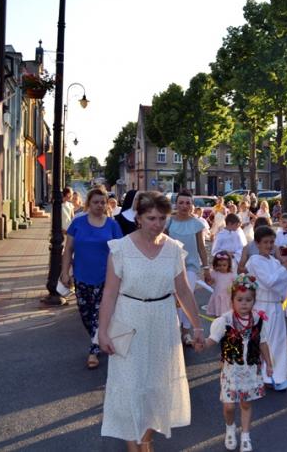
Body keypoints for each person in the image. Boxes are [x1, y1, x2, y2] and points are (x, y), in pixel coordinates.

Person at [99, 191, 206, 450]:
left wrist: (197, 326)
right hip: (129, 320)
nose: (157, 224)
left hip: (162, 322)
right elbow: (109, 294)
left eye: (161, 218)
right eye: (151, 218)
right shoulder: (120, 249)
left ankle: (145, 439)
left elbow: (183, 291)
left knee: (157, 388)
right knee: (130, 387)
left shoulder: (173, 249)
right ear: (138, 218)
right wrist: (102, 331)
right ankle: (134, 445)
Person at [204, 274, 273, 452]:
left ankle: (245, 436)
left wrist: (269, 363)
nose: (244, 304)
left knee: (246, 404)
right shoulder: (225, 321)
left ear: (254, 301)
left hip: (250, 368)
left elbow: (263, 343)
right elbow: (212, 339)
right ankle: (230, 428)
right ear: (232, 301)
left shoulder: (258, 320)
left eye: (248, 300)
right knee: (229, 406)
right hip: (231, 369)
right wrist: (201, 344)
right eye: (240, 300)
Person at [60, 187, 123, 369]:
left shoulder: (112, 225)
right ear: (89, 203)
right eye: (96, 202)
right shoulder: (78, 223)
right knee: (86, 314)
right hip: (81, 276)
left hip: (106, 278)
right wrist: (65, 272)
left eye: (103, 202)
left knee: (98, 314)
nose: (99, 205)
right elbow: (68, 249)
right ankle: (101, 337)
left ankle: (93, 351)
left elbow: (120, 252)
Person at [245, 225, 287, 387]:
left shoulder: (274, 261)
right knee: (266, 341)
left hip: (276, 306)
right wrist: (284, 268)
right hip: (263, 307)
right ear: (257, 243)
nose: (269, 246)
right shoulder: (254, 261)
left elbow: (286, 281)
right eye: (265, 242)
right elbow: (269, 282)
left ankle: (278, 375)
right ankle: (265, 376)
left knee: (279, 341)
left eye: (271, 242)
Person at [165, 190, 210, 346]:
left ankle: (186, 331)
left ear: (192, 205)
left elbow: (201, 247)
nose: (184, 206)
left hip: (190, 267)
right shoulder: (169, 222)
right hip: (171, 266)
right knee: (172, 299)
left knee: (186, 297)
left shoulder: (197, 224)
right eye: (181, 203)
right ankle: (173, 330)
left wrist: (206, 268)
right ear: (176, 204)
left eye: (187, 203)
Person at [207, 252, 236, 317]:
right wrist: (208, 279)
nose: (222, 267)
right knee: (217, 314)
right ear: (215, 265)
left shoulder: (231, 274)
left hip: (227, 297)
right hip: (217, 296)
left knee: (227, 314)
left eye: (224, 265)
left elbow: (235, 283)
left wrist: (234, 288)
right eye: (219, 265)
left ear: (229, 265)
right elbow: (210, 283)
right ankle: (217, 321)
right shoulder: (215, 273)